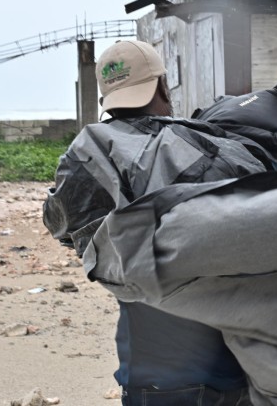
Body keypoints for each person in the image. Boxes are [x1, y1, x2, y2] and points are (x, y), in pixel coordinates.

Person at [43, 39, 263, 406]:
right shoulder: (211, 145)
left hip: (153, 376)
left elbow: (60, 224)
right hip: (239, 368)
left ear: (106, 98)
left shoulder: (91, 155)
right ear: (162, 85)